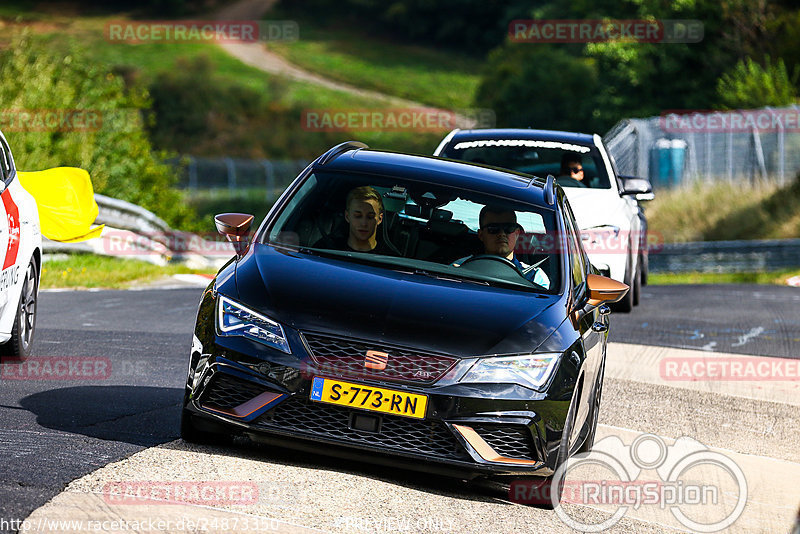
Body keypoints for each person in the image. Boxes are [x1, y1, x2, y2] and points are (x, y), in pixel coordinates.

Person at [454, 206, 550, 288]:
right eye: (493, 229)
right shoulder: (460, 268)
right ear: (481, 235)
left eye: (509, 228)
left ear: (517, 234)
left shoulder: (535, 277)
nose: (502, 234)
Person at [316, 186, 395, 254]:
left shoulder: (391, 261)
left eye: (370, 217)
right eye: (358, 216)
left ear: (380, 219)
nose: (364, 223)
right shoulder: (325, 250)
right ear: (347, 216)